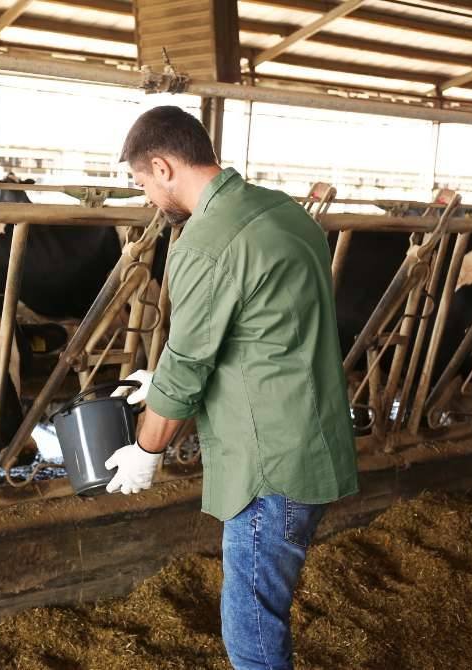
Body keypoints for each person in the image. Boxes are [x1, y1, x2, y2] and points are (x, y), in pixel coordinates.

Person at [105, 105, 358, 670]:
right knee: (262, 607)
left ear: (164, 166)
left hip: (268, 465)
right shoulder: (284, 212)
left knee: (250, 625)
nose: (146, 198)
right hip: (313, 444)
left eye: (142, 183)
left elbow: (189, 362)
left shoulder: (204, 242)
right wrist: (166, 377)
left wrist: (147, 451)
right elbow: (267, 329)